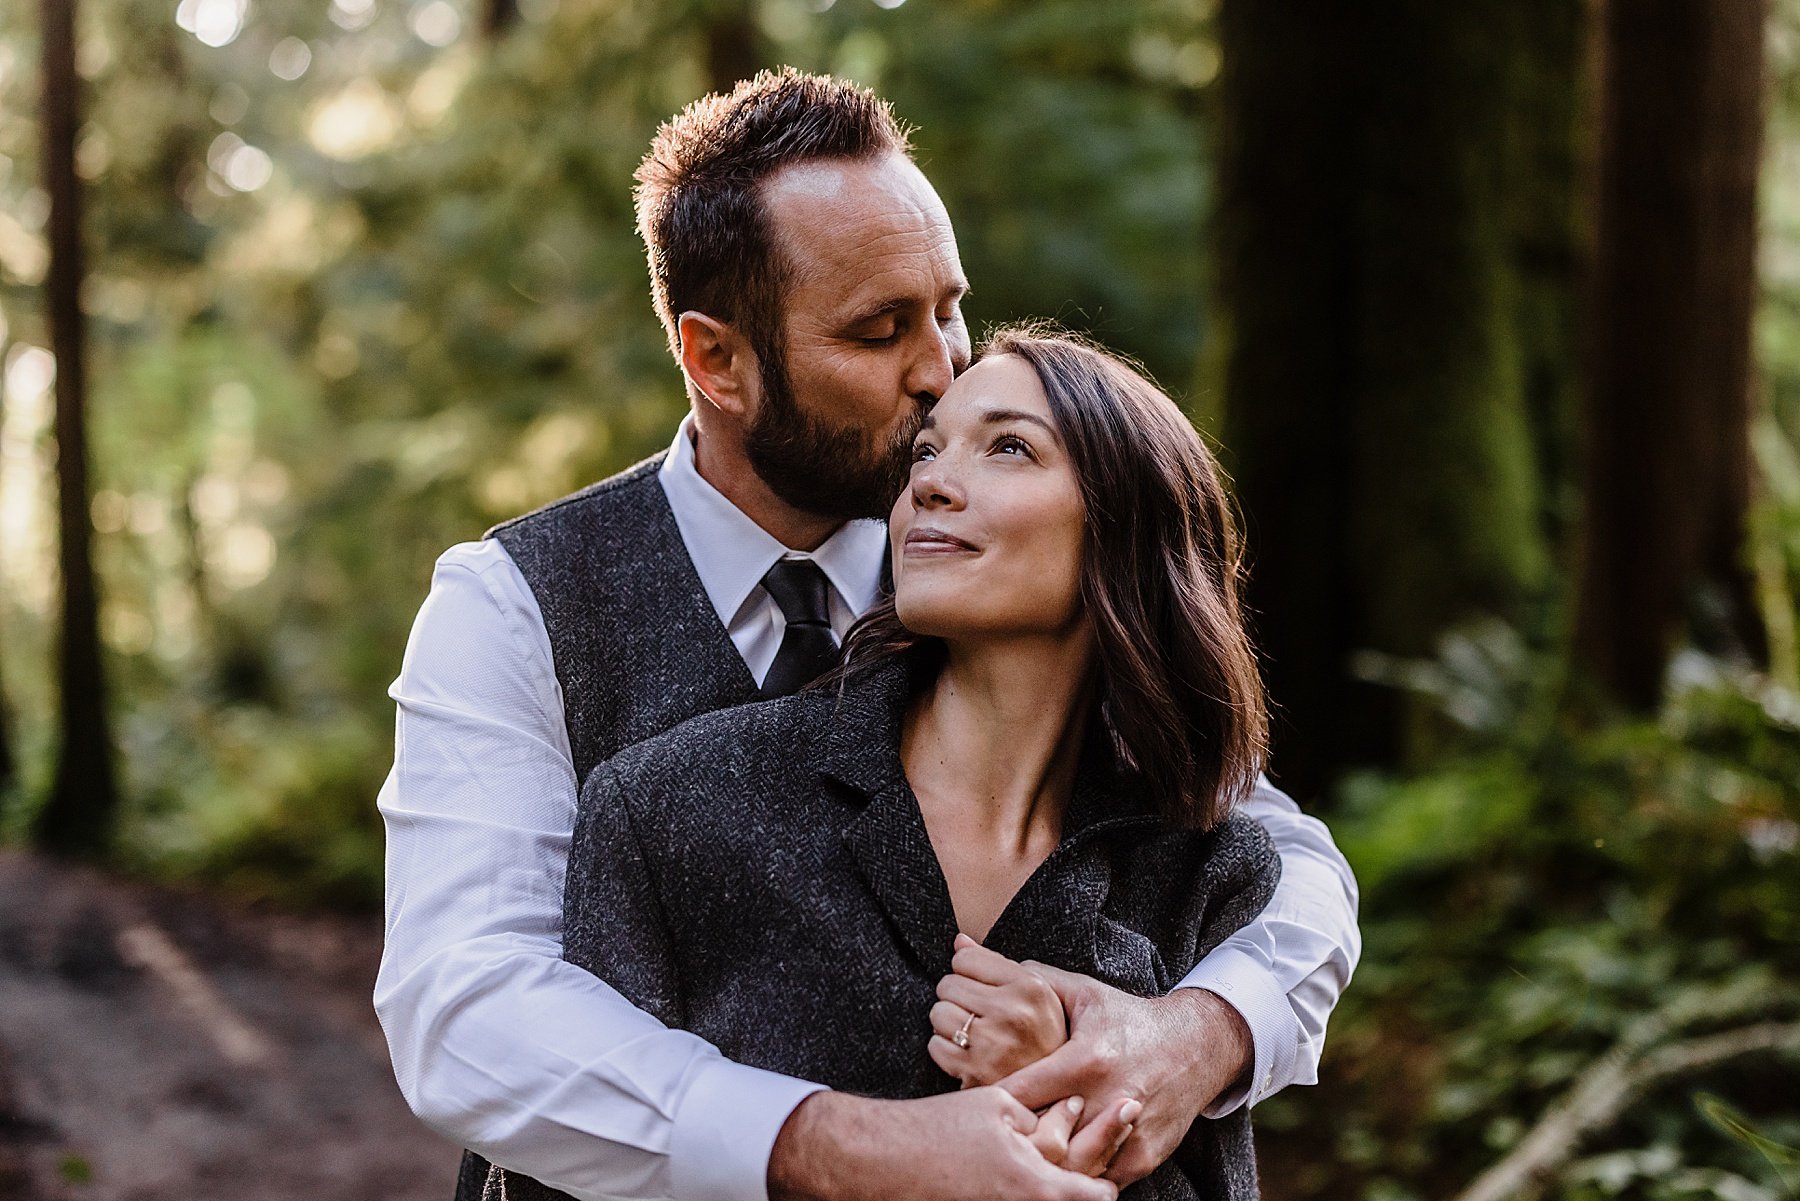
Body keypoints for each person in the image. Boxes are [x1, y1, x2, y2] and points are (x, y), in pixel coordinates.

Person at [374, 70, 1360, 1201]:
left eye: (948, 306)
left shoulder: (989, 564)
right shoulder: (515, 605)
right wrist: (839, 1147)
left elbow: (1282, 859)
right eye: (881, 329)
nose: (941, 368)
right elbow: (465, 1012)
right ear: (717, 362)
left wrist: (1199, 1033)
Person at [488, 327, 1283, 1201]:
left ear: (1128, 528)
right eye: (927, 451)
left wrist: (1075, 1090)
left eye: (1009, 448)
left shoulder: (1210, 870)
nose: (931, 482)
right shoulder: (669, 809)